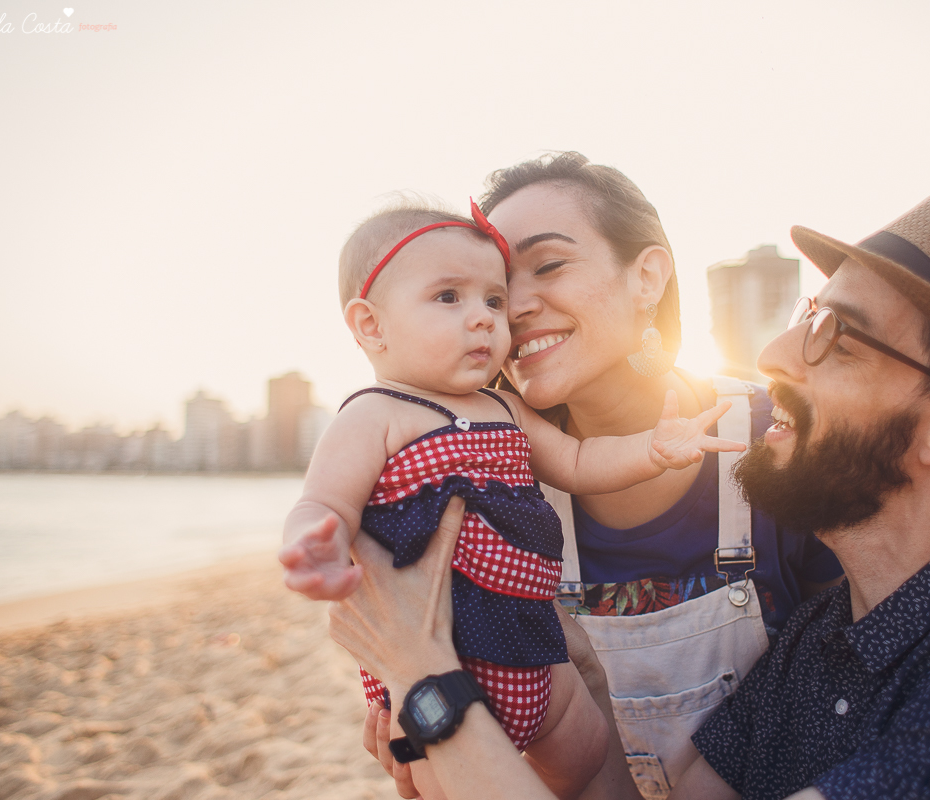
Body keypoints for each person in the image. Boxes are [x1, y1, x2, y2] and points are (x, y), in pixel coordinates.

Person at [330, 173, 930, 800]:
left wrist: (428, 683)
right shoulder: (818, 647)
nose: (779, 352)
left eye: (836, 337)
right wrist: (578, 690)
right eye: (808, 311)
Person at [351, 152, 842, 798]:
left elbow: (855, 700)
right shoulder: (489, 488)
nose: (511, 308)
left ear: (648, 277)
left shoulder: (780, 437)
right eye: (493, 288)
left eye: (548, 265)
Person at [277, 198, 742, 800]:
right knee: (435, 780)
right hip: (442, 637)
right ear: (370, 325)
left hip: (530, 636)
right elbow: (326, 502)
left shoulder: (505, 409)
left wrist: (651, 450)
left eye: (493, 301)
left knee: (586, 750)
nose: (486, 319)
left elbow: (577, 461)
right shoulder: (374, 415)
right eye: (449, 297)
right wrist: (313, 543)